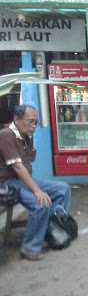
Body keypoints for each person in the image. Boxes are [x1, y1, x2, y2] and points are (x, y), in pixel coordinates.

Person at [0, 105, 72, 261]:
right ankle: (30, 247)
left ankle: (53, 230)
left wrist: (35, 187)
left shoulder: (26, 135)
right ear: (17, 120)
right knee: (40, 203)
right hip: (7, 184)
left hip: (23, 181)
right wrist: (37, 191)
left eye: (36, 122)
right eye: (30, 121)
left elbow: (29, 162)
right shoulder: (6, 135)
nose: (34, 126)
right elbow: (18, 167)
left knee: (63, 189)